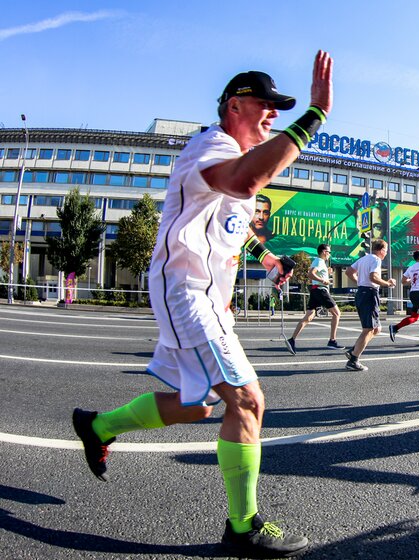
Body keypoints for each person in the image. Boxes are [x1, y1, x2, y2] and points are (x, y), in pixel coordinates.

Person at [72, 53, 333, 558]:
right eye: (267, 105)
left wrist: (268, 257)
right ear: (235, 105)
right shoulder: (211, 145)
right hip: (184, 292)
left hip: (206, 299)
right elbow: (241, 183)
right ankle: (243, 526)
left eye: (281, 108)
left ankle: (98, 425)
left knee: (197, 405)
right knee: (248, 400)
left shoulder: (229, 159)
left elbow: (229, 227)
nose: (274, 114)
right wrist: (316, 114)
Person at [344, 239, 396, 371]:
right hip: (369, 294)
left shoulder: (363, 259)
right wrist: (388, 284)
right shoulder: (376, 260)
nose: (386, 253)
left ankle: (354, 350)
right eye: (386, 250)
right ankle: (353, 359)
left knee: (377, 329)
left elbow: (348, 271)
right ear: (381, 250)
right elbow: (373, 277)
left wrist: (360, 282)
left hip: (362, 293)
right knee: (368, 329)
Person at [286, 244, 343, 353]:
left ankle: (292, 340)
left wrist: (327, 272)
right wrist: (323, 281)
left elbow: (316, 273)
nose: (330, 255)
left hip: (315, 290)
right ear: (324, 252)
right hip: (321, 290)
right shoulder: (319, 261)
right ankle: (332, 341)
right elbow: (311, 274)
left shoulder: (321, 263)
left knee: (309, 317)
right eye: (329, 252)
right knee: (337, 313)